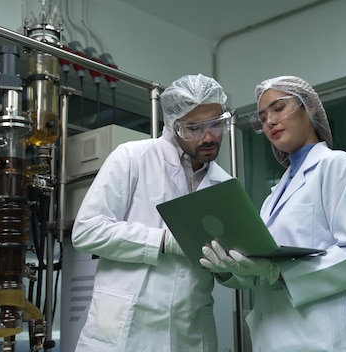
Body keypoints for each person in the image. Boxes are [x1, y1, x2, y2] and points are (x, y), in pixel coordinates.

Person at [200, 75, 346, 351]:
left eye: (279, 108)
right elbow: (258, 275)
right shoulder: (275, 194)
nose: (269, 121)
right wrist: (227, 269)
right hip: (273, 338)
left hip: (326, 340)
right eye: (262, 117)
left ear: (311, 109)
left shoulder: (338, 166)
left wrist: (277, 272)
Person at [71, 73, 233, 352]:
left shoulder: (226, 185)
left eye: (217, 125)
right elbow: (87, 231)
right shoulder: (132, 157)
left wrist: (230, 268)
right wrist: (163, 242)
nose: (208, 137)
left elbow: (231, 271)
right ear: (172, 126)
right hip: (126, 331)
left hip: (190, 333)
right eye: (193, 129)